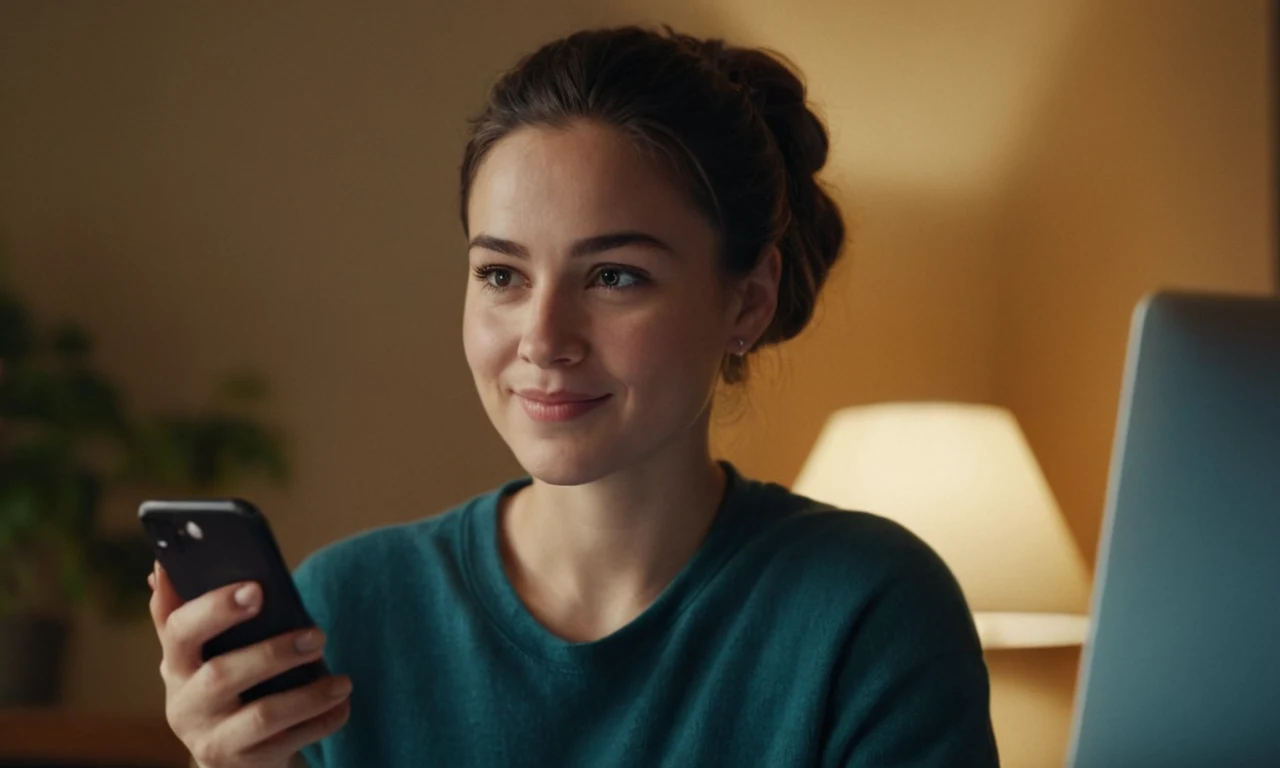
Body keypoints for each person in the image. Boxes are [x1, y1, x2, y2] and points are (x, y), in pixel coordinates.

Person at [147, 25, 998, 768]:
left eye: (615, 275)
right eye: (502, 275)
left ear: (747, 298)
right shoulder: (347, 609)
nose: (544, 337)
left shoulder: (868, 613)